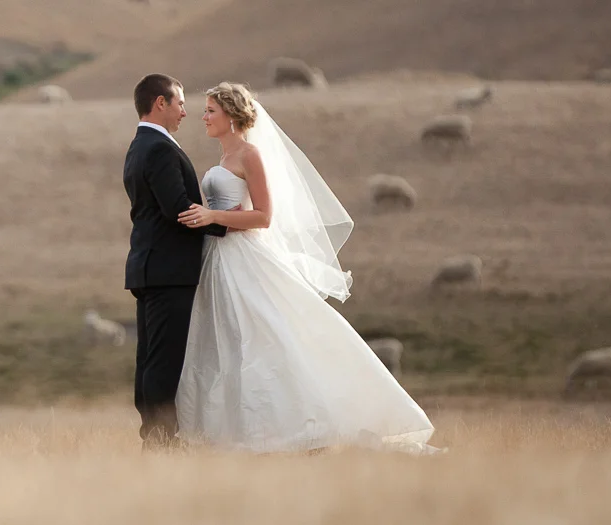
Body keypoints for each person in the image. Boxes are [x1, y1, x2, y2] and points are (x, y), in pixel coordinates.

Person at [170, 81, 444, 455]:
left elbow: (264, 216)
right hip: (218, 258)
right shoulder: (223, 159)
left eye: (210, 111)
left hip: (243, 257)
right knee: (228, 342)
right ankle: (232, 432)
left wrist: (212, 216)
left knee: (265, 338)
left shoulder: (250, 155)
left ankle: (299, 427)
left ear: (231, 116)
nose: (203, 117)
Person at [120, 73, 226, 450]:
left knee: (150, 358)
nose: (184, 111)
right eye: (180, 103)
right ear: (160, 103)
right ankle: (162, 439)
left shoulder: (139, 145)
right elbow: (177, 209)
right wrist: (227, 224)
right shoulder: (160, 148)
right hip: (168, 270)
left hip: (150, 267)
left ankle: (154, 437)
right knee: (163, 361)